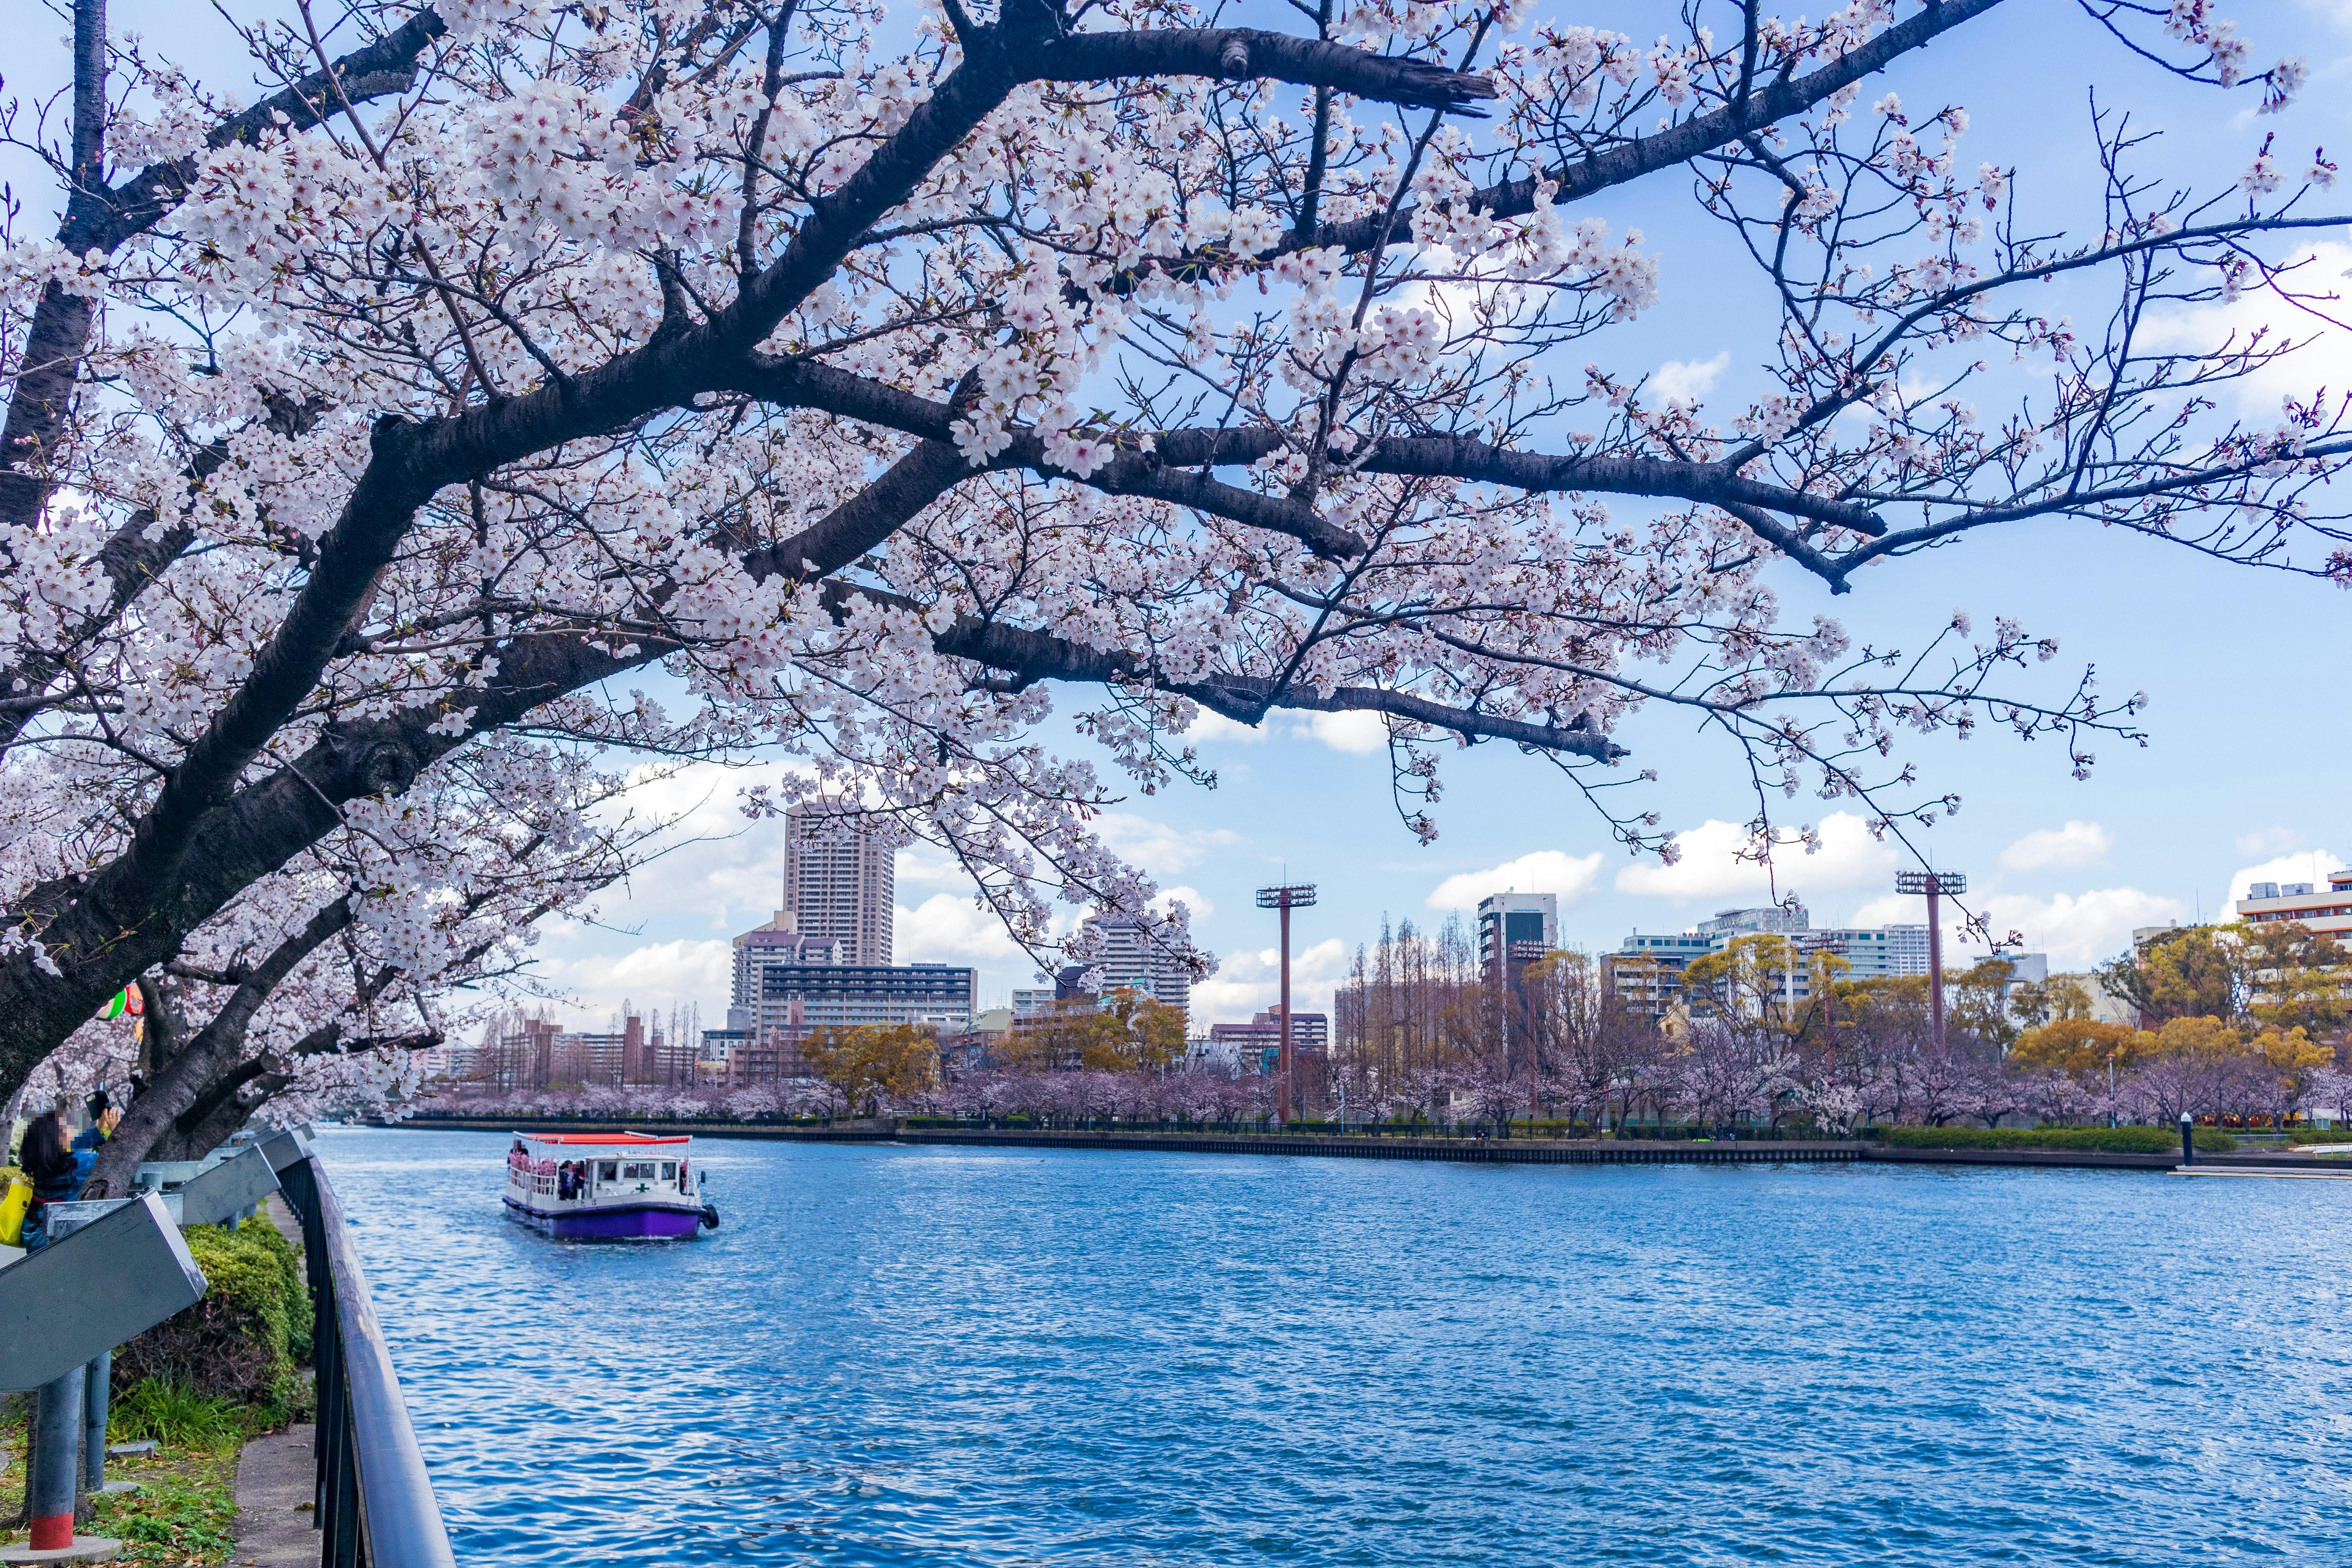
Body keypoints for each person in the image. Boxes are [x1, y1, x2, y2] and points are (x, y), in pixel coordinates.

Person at [18, 1107, 86, 1252]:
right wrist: (113, 1131)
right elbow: (115, 1159)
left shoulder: (39, 1162)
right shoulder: (78, 1166)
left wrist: (99, 1130)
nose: (73, 1133)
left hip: (34, 1231)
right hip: (57, 1238)